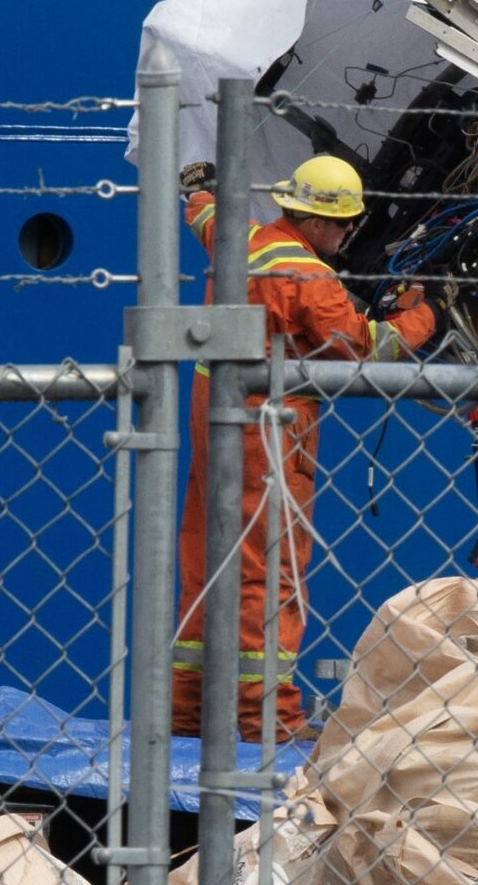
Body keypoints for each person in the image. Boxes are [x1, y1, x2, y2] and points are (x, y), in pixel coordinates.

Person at [172, 154, 437, 742]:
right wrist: (424, 314)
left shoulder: (242, 237)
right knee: (271, 575)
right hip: (268, 431)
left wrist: (196, 190)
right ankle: (269, 721)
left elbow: (205, 214)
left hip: (210, 415)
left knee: (204, 567)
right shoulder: (310, 278)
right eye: (343, 224)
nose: (347, 234)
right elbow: (367, 349)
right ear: (317, 221)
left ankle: (185, 718)